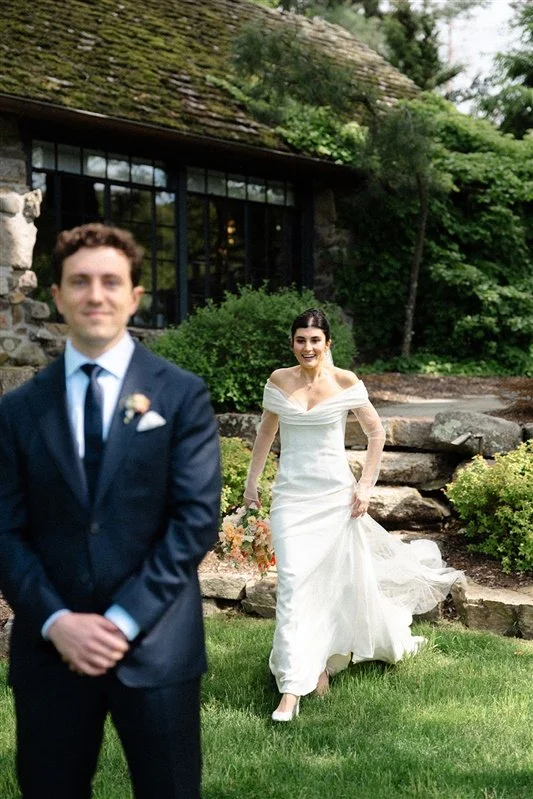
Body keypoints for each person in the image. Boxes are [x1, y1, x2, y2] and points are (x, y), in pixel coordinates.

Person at [0, 223, 221, 798]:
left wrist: (121, 622)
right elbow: (4, 529)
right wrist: (57, 621)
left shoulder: (181, 396)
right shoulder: (19, 410)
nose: (94, 295)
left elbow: (194, 520)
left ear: (134, 296)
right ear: (56, 296)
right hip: (52, 653)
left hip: (157, 647)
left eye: (109, 281)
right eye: (79, 281)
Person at [244, 308, 463, 722]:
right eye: (300, 340)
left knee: (330, 583)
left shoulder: (345, 382)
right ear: (292, 343)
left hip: (334, 499)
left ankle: (315, 669)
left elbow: (376, 433)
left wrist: (365, 485)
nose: (307, 347)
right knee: (292, 583)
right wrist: (251, 484)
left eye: (314, 340)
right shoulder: (278, 380)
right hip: (291, 498)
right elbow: (266, 433)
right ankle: (294, 685)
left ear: (328, 344)